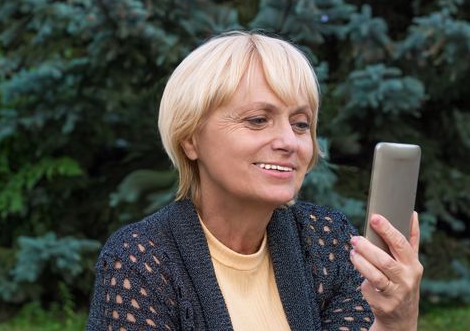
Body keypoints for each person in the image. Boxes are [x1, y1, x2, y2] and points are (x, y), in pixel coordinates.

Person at [87, 31, 423, 331]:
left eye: (301, 124)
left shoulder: (326, 241)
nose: (289, 141)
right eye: (259, 120)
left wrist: (396, 323)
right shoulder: (140, 260)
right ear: (190, 139)